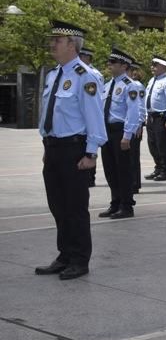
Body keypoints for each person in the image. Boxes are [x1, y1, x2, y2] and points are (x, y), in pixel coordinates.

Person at [35, 21, 107, 280]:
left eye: (58, 40)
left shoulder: (84, 76)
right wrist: (46, 144)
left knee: (75, 207)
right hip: (54, 148)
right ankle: (64, 254)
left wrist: (91, 154)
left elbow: (94, 118)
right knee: (58, 206)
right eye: (52, 39)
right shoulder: (54, 74)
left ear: (72, 45)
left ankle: (79, 259)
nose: (52, 43)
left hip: (75, 150)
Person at [98, 47, 142, 220]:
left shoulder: (129, 86)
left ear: (124, 66)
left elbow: (133, 112)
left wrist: (127, 135)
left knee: (123, 170)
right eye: (109, 61)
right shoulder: (107, 86)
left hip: (119, 131)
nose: (109, 64)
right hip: (107, 131)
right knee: (110, 169)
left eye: (113, 62)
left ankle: (126, 205)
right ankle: (115, 202)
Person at [144, 55, 166, 181]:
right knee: (152, 144)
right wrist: (147, 115)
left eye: (155, 65)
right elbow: (148, 100)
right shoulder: (152, 80)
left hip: (162, 118)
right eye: (152, 65)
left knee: (162, 144)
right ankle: (158, 167)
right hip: (152, 117)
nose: (152, 67)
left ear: (164, 67)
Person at [77, 47, 100, 188]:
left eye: (82, 55)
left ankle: (91, 177)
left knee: (89, 150)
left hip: (89, 120)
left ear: (88, 58)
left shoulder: (93, 74)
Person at [127, 63, 147, 195]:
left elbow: (140, 106)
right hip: (127, 125)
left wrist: (139, 123)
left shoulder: (136, 86)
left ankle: (134, 183)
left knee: (133, 156)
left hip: (135, 126)